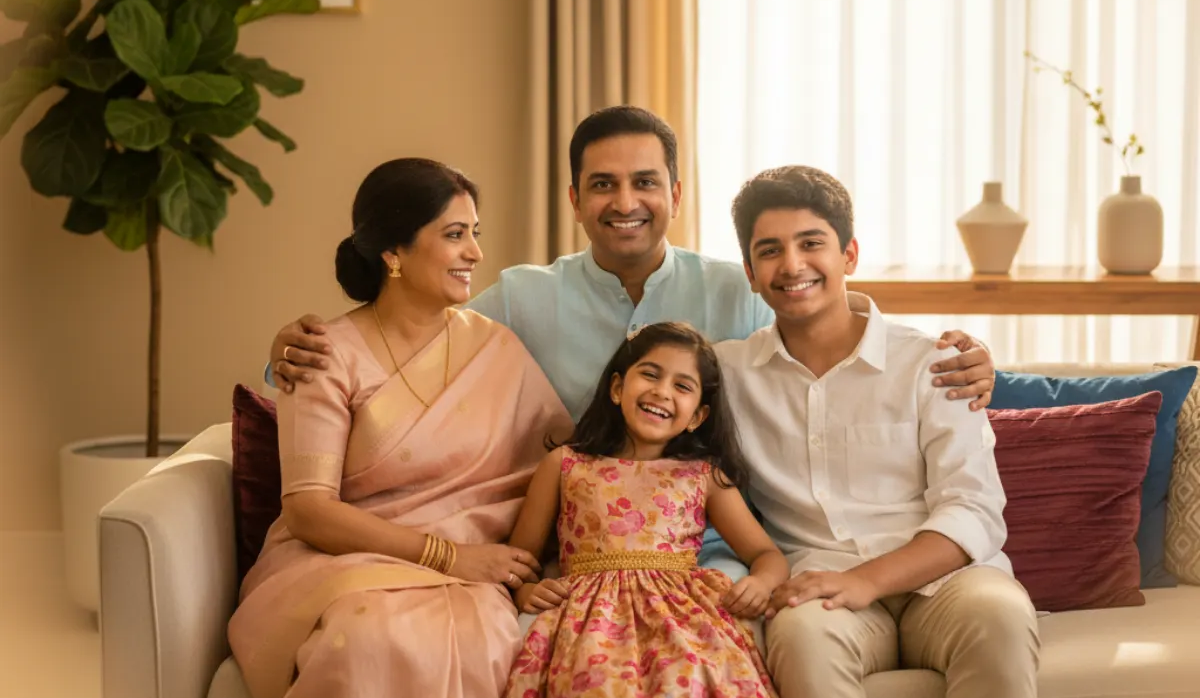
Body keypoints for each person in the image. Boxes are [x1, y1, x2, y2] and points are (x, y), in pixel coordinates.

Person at [264, 106, 998, 581]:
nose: (625, 202)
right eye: (603, 184)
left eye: (645, 182)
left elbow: (829, 328)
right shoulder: (521, 299)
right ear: (575, 200)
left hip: (712, 552)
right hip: (574, 555)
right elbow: (400, 343)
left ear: (676, 194)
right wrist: (289, 351)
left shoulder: (740, 290)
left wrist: (969, 364)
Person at [227, 158, 572, 698]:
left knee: (479, 640)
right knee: (366, 637)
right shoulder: (323, 354)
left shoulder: (494, 348)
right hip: (341, 558)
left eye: (475, 233)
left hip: (472, 570)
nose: (475, 252)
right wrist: (449, 558)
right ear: (393, 252)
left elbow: (564, 461)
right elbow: (308, 511)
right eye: (455, 234)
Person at [714, 166, 1040, 698]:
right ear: (751, 273)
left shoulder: (933, 364)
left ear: (849, 254)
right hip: (821, 584)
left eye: (811, 242)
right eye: (770, 250)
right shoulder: (725, 374)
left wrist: (868, 579)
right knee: (800, 635)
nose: (792, 264)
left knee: (1002, 616)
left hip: (947, 584)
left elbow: (973, 508)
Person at [499, 322, 807, 698]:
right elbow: (519, 561)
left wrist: (761, 582)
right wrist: (526, 591)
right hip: (591, 622)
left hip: (682, 619)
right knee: (597, 689)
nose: (662, 392)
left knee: (699, 677)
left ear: (698, 415)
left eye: (682, 386)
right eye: (650, 374)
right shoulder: (565, 465)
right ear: (617, 388)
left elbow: (767, 555)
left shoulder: (703, 475)